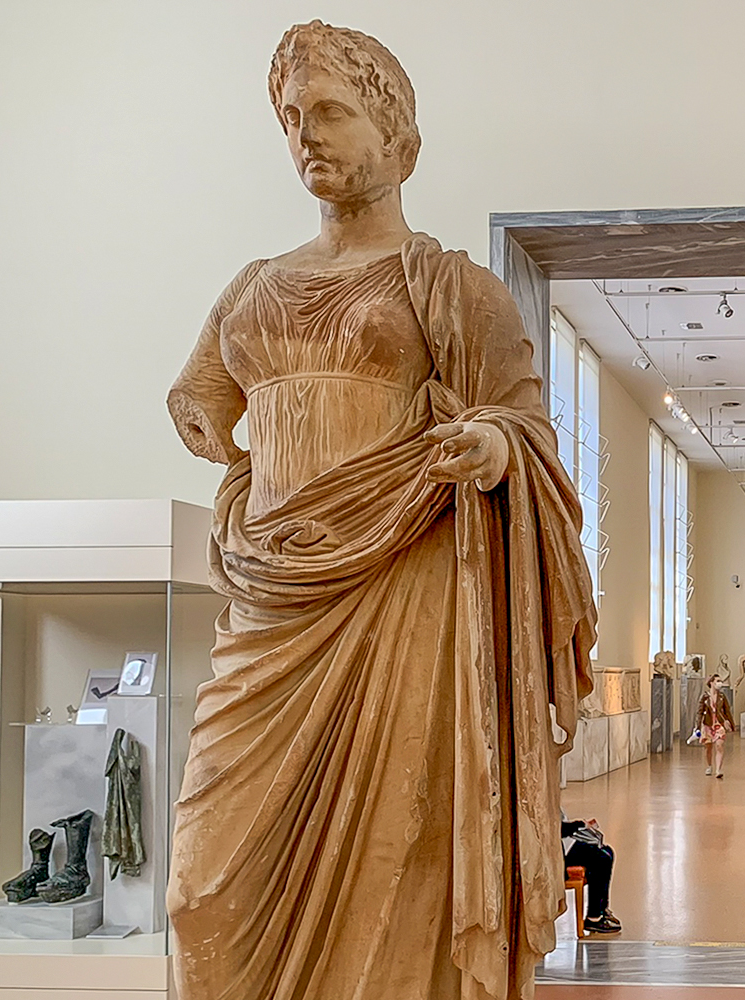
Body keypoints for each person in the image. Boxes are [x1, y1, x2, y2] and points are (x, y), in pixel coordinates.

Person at [163, 20, 597, 1000]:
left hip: (401, 599)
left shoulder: (453, 289)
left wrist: (489, 446)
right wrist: (204, 418)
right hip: (270, 607)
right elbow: (200, 394)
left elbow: (525, 429)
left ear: (398, 139)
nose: (305, 135)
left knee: (401, 864)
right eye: (289, 118)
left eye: (329, 112)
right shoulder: (253, 288)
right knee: (202, 885)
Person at [560, 812, 621, 935]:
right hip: (560, 852)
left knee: (607, 851)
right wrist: (581, 825)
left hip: (566, 843)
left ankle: (601, 908)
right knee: (601, 858)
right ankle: (594, 917)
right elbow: (559, 829)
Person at [697, 673, 735, 778]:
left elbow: (727, 710)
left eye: (720, 681)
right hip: (708, 724)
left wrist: (731, 724)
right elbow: (699, 712)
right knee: (708, 747)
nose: (720, 683)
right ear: (711, 683)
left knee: (719, 745)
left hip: (719, 724)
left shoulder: (722, 697)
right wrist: (697, 726)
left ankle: (719, 769)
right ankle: (709, 765)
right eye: (717, 681)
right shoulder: (704, 697)